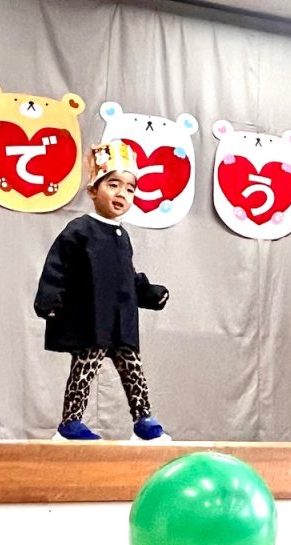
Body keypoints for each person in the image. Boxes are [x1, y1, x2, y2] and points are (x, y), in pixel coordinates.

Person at [34, 141, 170, 441]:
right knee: (84, 368)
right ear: (93, 190)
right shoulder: (80, 229)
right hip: (92, 319)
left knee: (133, 369)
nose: (122, 193)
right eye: (113, 184)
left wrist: (149, 293)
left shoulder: (123, 237)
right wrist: (49, 299)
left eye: (130, 189)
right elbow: (57, 265)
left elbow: (127, 276)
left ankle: (143, 420)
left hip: (121, 321)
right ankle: (70, 423)